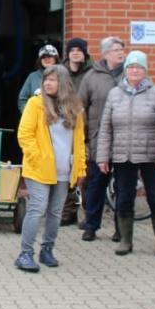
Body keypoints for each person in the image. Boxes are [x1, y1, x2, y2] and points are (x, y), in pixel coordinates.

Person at [96, 50, 155, 257]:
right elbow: (105, 128)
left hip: (150, 156)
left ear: (145, 71)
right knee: (123, 198)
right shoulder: (115, 94)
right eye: (131, 67)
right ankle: (125, 240)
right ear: (126, 70)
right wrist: (102, 157)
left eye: (139, 67)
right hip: (123, 155)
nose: (134, 70)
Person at [15, 64, 86, 272]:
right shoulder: (35, 104)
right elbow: (25, 135)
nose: (47, 83)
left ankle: (47, 249)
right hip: (38, 169)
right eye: (46, 79)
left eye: (52, 79)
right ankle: (25, 253)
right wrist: (38, 157)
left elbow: (79, 141)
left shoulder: (75, 108)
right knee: (37, 208)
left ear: (63, 83)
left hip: (63, 170)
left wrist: (80, 168)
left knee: (55, 212)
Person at [76, 36, 126, 241]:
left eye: (122, 49)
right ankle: (91, 226)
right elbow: (81, 108)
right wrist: (85, 138)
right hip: (99, 140)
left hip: (124, 140)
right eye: (116, 49)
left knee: (123, 186)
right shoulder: (92, 77)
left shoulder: (129, 73)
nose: (120, 52)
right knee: (96, 184)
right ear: (105, 53)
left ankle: (121, 228)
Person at [59, 36, 92, 226]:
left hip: (85, 129)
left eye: (79, 50)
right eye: (72, 50)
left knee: (84, 171)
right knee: (65, 170)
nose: (76, 53)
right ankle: (68, 211)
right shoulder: (61, 73)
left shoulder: (91, 73)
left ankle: (88, 213)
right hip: (64, 128)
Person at [17, 44, 60, 113]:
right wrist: (29, 114)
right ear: (40, 60)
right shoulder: (32, 76)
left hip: (57, 119)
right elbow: (22, 100)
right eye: (43, 57)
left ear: (56, 58)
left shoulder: (63, 75)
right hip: (36, 120)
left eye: (49, 56)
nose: (46, 59)